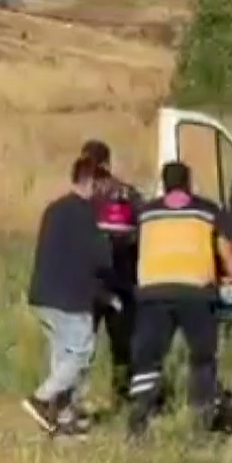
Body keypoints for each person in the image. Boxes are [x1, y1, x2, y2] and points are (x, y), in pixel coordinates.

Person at [129, 160, 232, 438]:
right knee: (202, 357)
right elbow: (227, 254)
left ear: (163, 183)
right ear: (189, 182)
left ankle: (139, 419)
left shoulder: (146, 213)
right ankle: (201, 421)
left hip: (153, 291)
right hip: (195, 291)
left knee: (149, 357)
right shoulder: (207, 211)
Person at [22, 155, 113, 436]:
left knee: (63, 355)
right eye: (101, 185)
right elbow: (101, 259)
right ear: (93, 182)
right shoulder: (87, 215)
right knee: (81, 353)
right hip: (70, 299)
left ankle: (61, 417)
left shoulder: (54, 209)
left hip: (42, 295)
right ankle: (41, 398)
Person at [81, 139, 141, 406]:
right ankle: (122, 398)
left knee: (81, 347)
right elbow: (144, 231)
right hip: (122, 281)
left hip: (88, 283)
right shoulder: (128, 194)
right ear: (108, 162)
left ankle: (73, 402)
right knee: (122, 347)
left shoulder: (80, 198)